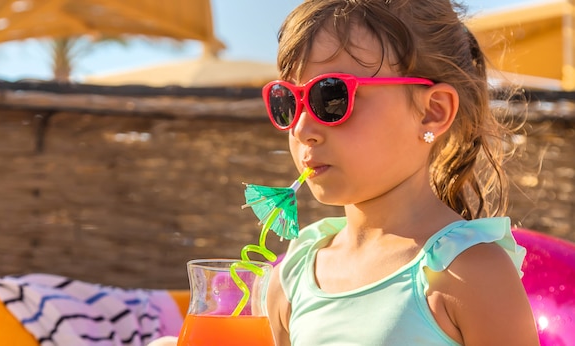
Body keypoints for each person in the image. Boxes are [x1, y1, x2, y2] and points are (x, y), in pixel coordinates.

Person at [151, 0, 539, 345]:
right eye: (289, 102)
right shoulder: (296, 274)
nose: (301, 128)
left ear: (432, 111)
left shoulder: (470, 273)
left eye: (330, 97)